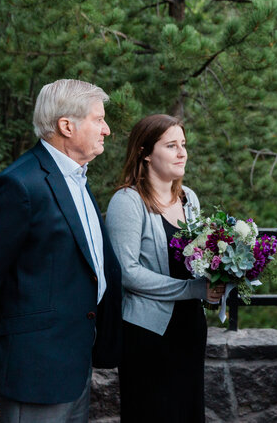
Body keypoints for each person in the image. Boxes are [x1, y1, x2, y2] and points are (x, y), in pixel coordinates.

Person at [0, 79, 122, 422]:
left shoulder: (77, 179)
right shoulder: (19, 185)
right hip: (32, 372)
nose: (106, 130)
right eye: (98, 119)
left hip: (74, 365)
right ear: (66, 125)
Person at [106, 114, 224, 422]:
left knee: (188, 412)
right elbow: (128, 272)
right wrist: (192, 289)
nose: (182, 152)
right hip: (147, 334)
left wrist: (219, 277)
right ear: (145, 153)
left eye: (183, 144)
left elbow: (198, 257)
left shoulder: (189, 199)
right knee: (152, 413)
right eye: (171, 145)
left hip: (190, 328)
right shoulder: (127, 201)